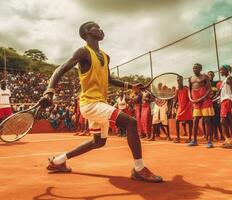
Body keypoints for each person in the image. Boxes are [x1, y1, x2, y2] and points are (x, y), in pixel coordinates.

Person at [39, 21, 162, 183]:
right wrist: (49, 91)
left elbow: (109, 79)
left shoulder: (105, 56)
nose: (101, 29)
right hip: (90, 103)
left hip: (98, 103)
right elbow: (60, 69)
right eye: (96, 27)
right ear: (87, 33)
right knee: (131, 122)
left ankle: (58, 162)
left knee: (99, 142)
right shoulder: (83, 52)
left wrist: (131, 86)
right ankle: (139, 169)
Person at [188, 63, 214, 148]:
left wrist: (202, 98)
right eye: (193, 68)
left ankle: (209, 141)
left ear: (200, 68)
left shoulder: (205, 77)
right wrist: (191, 98)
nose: (194, 69)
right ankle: (194, 140)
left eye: (196, 68)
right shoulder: (191, 78)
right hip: (195, 101)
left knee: (207, 120)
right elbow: (189, 89)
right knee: (195, 120)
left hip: (205, 100)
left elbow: (209, 88)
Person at [219, 65, 232, 148]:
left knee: (229, 121)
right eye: (220, 70)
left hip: (228, 101)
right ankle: (228, 139)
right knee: (223, 121)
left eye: (222, 70)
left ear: (227, 70)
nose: (220, 71)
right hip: (223, 101)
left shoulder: (229, 78)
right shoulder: (225, 80)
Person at [174, 76, 193, 143]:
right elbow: (176, 99)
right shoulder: (177, 90)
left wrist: (187, 107)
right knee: (177, 120)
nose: (178, 81)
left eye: (179, 80)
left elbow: (190, 99)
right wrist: (173, 107)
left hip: (187, 107)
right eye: (177, 80)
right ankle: (178, 137)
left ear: (182, 80)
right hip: (180, 108)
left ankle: (190, 138)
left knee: (190, 121)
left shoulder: (186, 89)